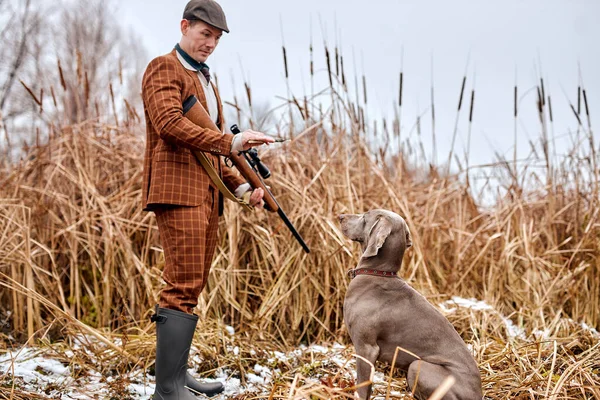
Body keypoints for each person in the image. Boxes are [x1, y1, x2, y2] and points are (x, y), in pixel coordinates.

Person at [141, 1, 274, 398]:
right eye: (205, 34)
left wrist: (243, 188)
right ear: (184, 26)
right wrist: (231, 141)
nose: (211, 43)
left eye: (216, 38)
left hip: (205, 196)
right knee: (180, 284)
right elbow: (169, 124)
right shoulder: (164, 67)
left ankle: (177, 377)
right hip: (178, 194)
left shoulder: (205, 80)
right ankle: (167, 389)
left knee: (193, 285)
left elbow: (212, 152)